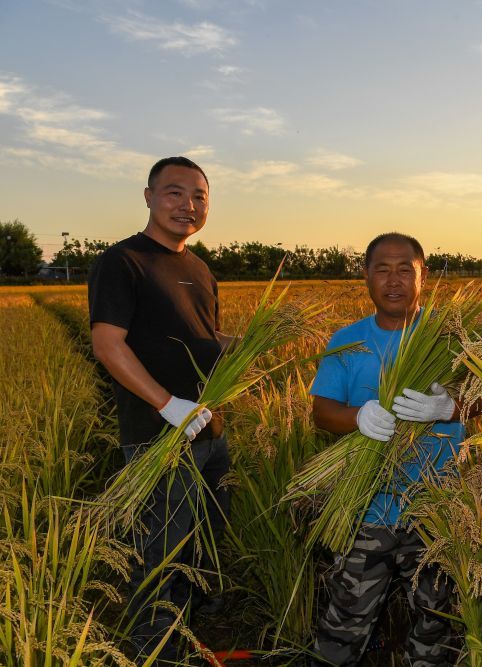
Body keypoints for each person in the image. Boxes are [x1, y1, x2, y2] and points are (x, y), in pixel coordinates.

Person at [88, 156, 233, 664]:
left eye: (199, 196)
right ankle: (157, 652)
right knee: (162, 550)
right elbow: (108, 344)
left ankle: (189, 635)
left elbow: (203, 337)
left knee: (201, 544)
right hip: (159, 432)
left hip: (209, 431)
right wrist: (168, 405)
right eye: (174, 193)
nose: (187, 205)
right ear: (148, 196)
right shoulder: (123, 261)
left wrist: (252, 343)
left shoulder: (199, 268)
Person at [309, 232, 460, 666]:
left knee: (436, 627)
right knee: (343, 626)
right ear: (366, 277)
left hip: (437, 510)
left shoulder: (449, 336)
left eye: (404, 270)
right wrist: (357, 417)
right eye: (382, 269)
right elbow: (321, 411)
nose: (394, 280)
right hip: (366, 508)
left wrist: (450, 407)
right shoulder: (347, 341)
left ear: (422, 276)